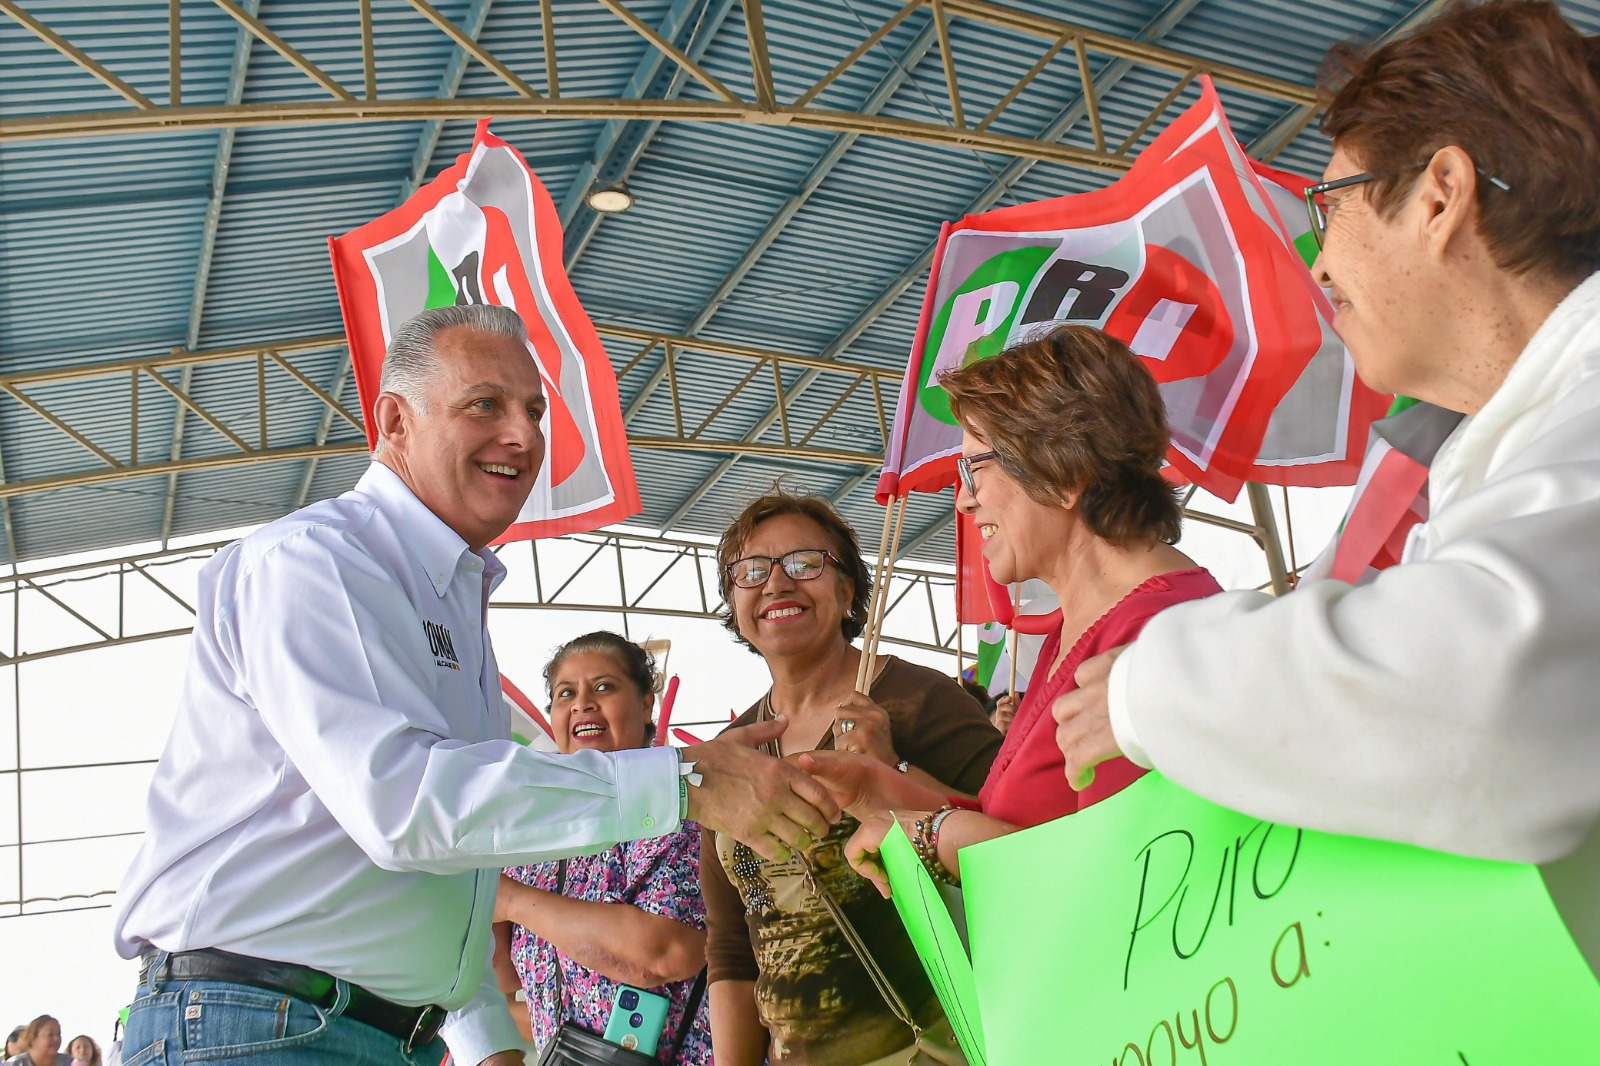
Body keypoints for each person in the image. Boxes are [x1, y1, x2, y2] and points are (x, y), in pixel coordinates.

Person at [112, 303, 840, 1066]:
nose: (523, 436)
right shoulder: (315, 564)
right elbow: (402, 803)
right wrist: (687, 779)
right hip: (261, 1025)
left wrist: (483, 1032)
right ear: (395, 420)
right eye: (484, 405)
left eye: (533, 409)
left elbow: (447, 867)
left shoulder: (448, 600)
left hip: (379, 1034)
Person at [1050, 0, 1600, 977]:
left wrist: (1149, 686)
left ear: (1439, 197)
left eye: (1331, 202)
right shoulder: (1528, 438)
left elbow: (1481, 695)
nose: (1317, 255)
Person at [808, 325, 1221, 892]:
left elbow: (1135, 881)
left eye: (975, 467)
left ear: (1063, 469)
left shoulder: (1156, 633)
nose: (962, 498)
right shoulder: (1077, 629)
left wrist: (938, 837)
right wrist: (878, 789)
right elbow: (1024, 821)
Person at [701, 489, 1003, 1066]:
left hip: (943, 1050)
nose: (777, 584)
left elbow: (1021, 841)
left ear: (847, 591)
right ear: (734, 603)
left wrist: (893, 770)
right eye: (752, 570)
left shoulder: (919, 699)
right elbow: (732, 949)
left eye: (804, 563)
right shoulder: (733, 752)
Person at [497, 632, 712, 1064]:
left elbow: (666, 952)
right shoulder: (533, 835)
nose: (582, 704)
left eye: (603, 687)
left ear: (647, 702)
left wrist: (512, 901)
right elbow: (505, 976)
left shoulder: (679, 808)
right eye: (565, 693)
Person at [3, 1016, 68, 1066]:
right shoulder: (15, 1063)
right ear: (32, 1038)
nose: (56, 1038)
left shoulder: (69, 1061)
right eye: (50, 1034)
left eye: (58, 1034)